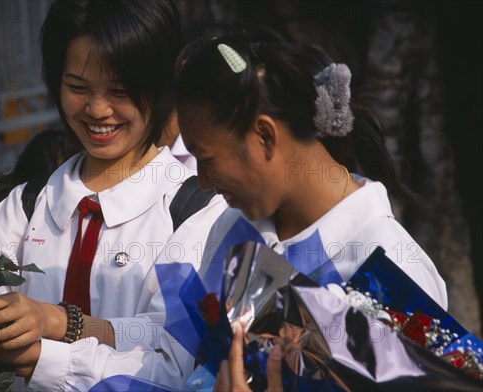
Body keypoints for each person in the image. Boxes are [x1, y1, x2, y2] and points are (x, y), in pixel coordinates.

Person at [0, 0, 227, 390]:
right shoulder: (26, 206)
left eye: (120, 90)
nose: (98, 109)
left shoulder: (196, 213)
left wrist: (52, 339)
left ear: (162, 86)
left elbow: (173, 364)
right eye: (77, 87)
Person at [175, 30, 447, 310]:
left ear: (265, 136)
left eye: (206, 160)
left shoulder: (391, 267)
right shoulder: (233, 226)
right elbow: (181, 348)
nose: (204, 182)